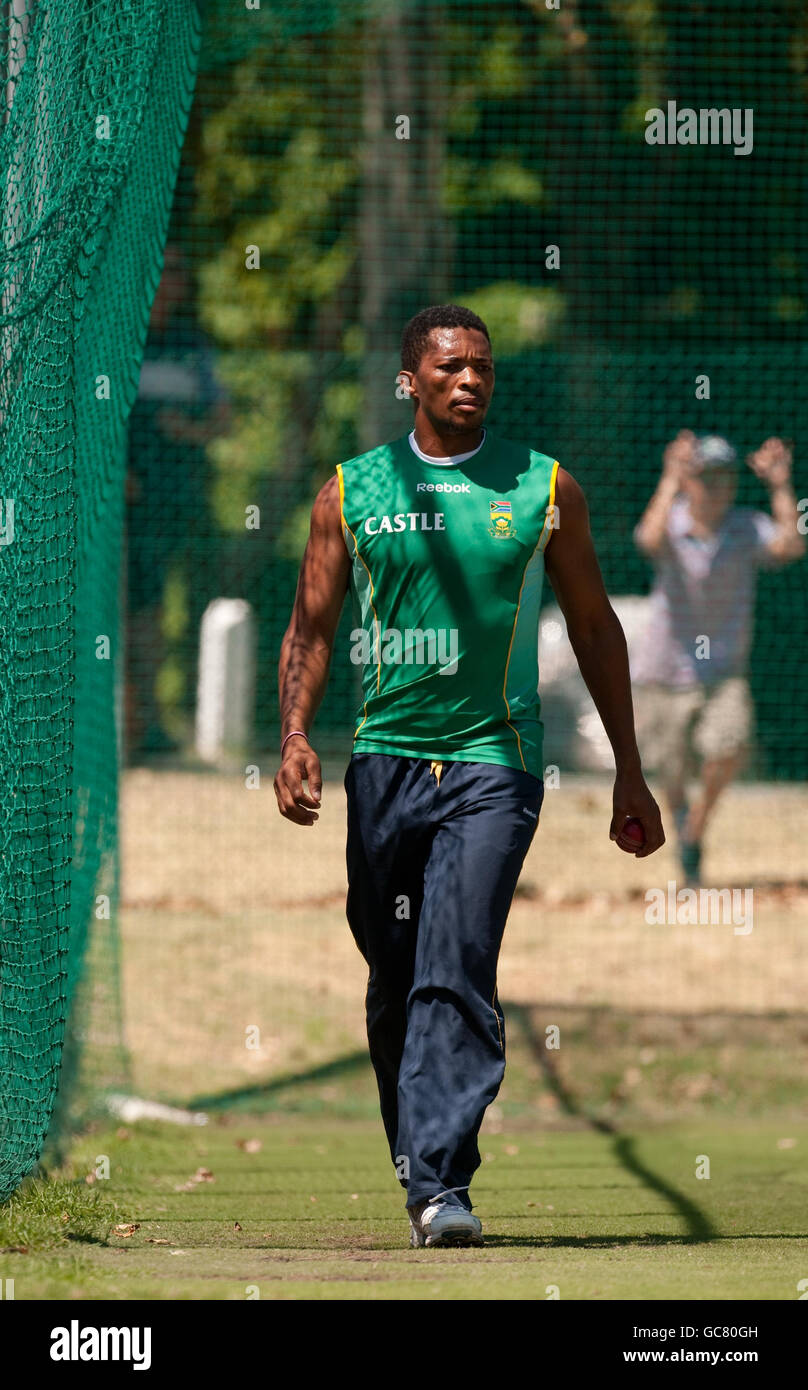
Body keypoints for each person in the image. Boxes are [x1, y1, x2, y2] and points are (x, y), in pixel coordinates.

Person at [274, 304, 664, 1248]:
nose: (470, 381)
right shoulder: (351, 489)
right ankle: (420, 1158)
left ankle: (440, 1184)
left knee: (456, 956)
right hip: (385, 761)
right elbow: (312, 628)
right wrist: (292, 734)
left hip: (497, 762)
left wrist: (629, 770)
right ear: (410, 379)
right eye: (449, 367)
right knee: (394, 973)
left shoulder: (543, 487)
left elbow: (595, 625)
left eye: (482, 367)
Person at [632, 431, 804, 885]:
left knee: (729, 747)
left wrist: (780, 485)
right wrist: (670, 477)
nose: (715, 485)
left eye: (725, 476)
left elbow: (791, 545)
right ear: (692, 480)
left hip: (723, 672)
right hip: (664, 669)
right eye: (706, 475)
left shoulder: (746, 527)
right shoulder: (671, 521)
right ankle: (686, 831)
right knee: (669, 770)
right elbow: (647, 541)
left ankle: (694, 827)